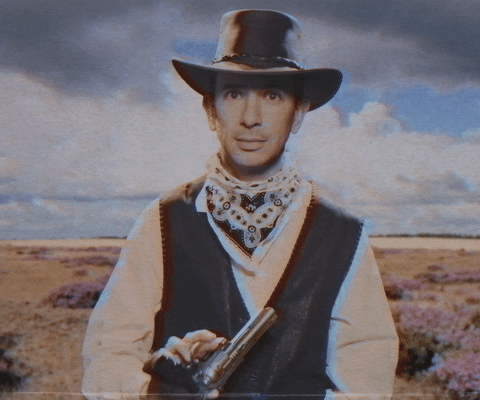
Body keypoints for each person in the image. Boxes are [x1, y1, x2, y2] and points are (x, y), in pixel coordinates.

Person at [82, 9, 399, 400]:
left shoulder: (344, 232)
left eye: (273, 95)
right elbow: (108, 355)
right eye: (235, 94)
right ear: (211, 110)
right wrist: (155, 390)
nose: (252, 118)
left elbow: (367, 374)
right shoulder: (163, 219)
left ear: (298, 113)